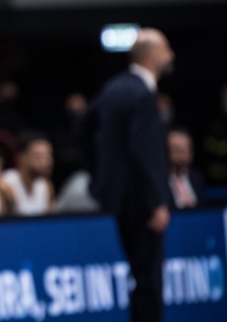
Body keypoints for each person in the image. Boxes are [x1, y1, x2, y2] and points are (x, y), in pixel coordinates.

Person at [79, 27, 174, 322]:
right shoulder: (143, 93)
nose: (171, 56)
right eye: (166, 50)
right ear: (151, 56)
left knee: (139, 277)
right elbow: (144, 151)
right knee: (149, 282)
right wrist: (158, 201)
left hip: (120, 199)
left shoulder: (113, 88)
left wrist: (102, 179)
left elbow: (82, 129)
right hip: (143, 203)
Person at [0, 131, 55, 216]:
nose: (46, 162)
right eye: (38, 156)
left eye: (48, 155)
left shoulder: (46, 186)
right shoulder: (4, 185)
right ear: (21, 157)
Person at [167, 127, 205, 210]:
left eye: (186, 148)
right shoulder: (159, 181)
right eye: (177, 149)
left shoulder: (197, 178)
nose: (182, 153)